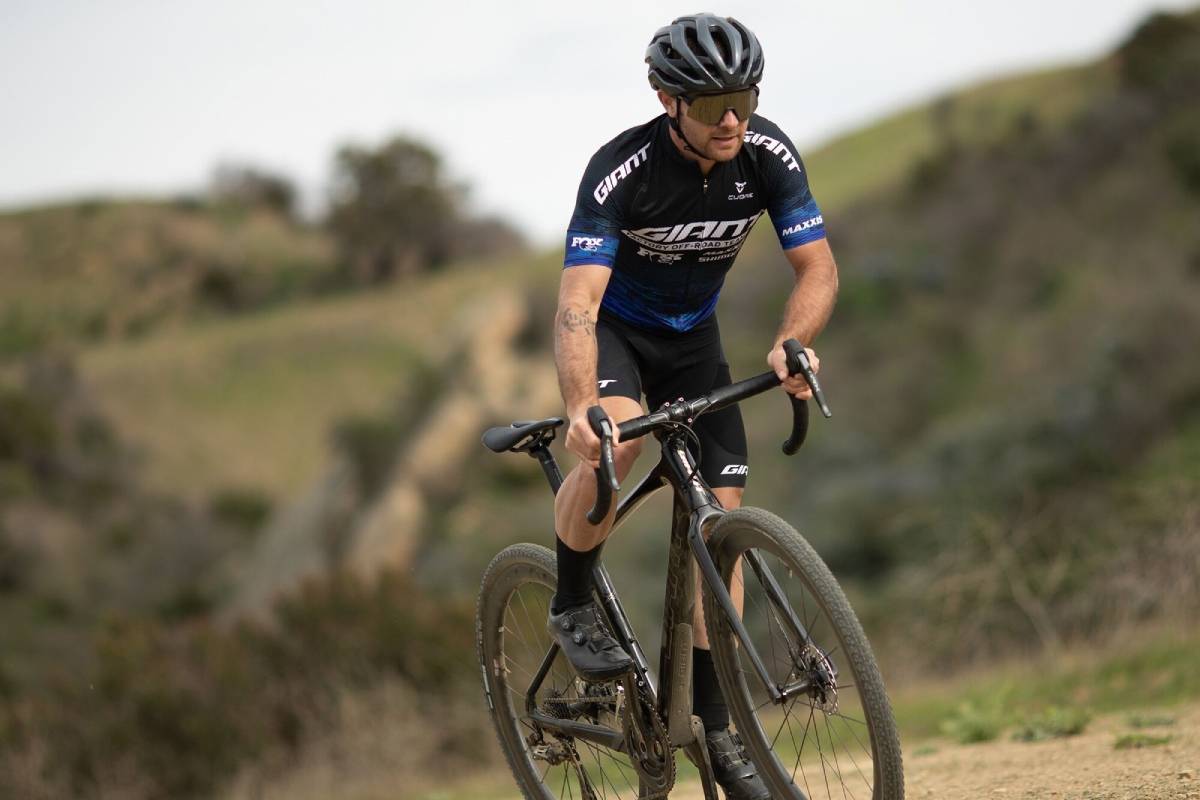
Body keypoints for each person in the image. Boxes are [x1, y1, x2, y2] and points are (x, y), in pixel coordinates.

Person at [549, 13, 838, 799]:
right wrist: (583, 405)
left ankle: (718, 735)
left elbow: (816, 268)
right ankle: (572, 600)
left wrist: (791, 342)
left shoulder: (768, 153)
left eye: (743, 97)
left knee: (725, 522)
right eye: (713, 106)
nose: (733, 119)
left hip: (693, 341)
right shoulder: (621, 171)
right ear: (666, 100)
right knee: (622, 445)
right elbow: (579, 299)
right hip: (620, 338)